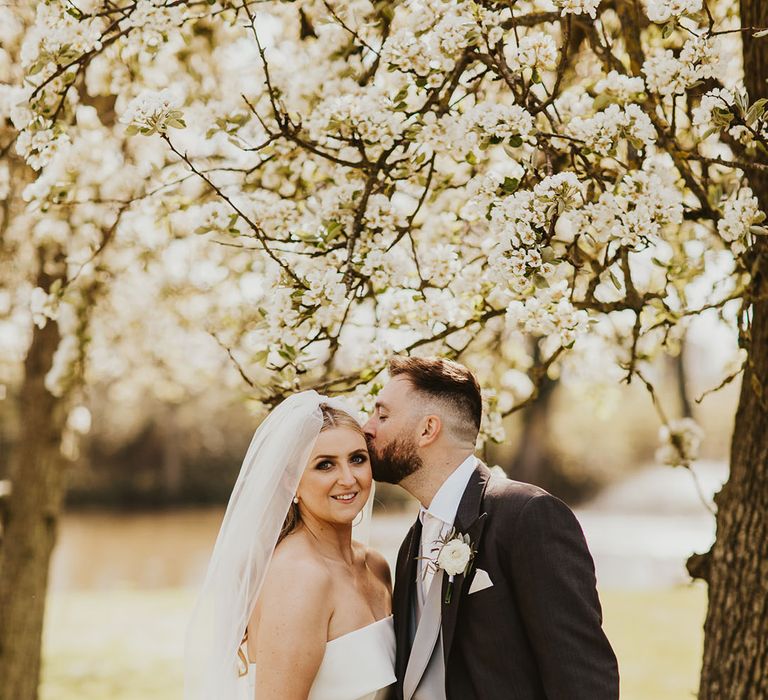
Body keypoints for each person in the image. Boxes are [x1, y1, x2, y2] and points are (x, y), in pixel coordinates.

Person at [363, 356, 620, 700]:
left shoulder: (527, 516)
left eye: (382, 415)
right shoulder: (411, 543)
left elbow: (582, 675)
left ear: (428, 429)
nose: (367, 427)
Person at [185, 392, 396, 700]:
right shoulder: (300, 577)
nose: (348, 478)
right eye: (325, 465)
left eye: (357, 459)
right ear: (290, 482)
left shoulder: (375, 565)